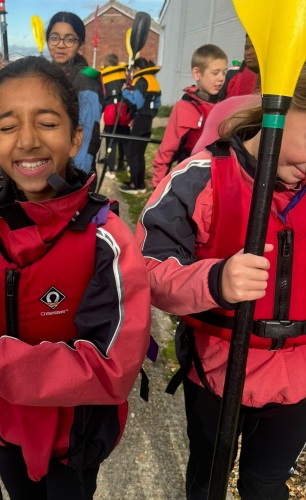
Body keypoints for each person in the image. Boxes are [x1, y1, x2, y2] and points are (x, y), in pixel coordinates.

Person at [0, 56, 152, 499]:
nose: (28, 140)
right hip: (2, 428)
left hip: (75, 436)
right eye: (7, 126)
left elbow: (115, 369)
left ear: (76, 137)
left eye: (48, 123)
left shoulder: (106, 239)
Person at [137, 64, 306, 500]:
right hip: (217, 369)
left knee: (266, 484)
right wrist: (214, 280)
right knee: (208, 477)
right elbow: (148, 269)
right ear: (279, 107)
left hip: (298, 381)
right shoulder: (201, 176)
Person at [152, 44, 227, 187]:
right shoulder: (185, 107)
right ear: (197, 74)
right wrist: (158, 185)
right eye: (215, 73)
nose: (221, 78)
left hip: (216, 180)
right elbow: (168, 149)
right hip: (190, 179)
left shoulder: (223, 106)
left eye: (224, 72)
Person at [46, 11, 104, 174]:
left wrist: (76, 177)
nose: (61, 45)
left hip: (71, 173)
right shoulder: (45, 75)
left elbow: (87, 137)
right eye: (54, 37)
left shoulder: (86, 81)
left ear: (81, 45)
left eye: (70, 39)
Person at [121, 57, 161, 194]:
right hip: (148, 120)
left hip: (140, 119)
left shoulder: (141, 81)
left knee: (133, 152)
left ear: (137, 69)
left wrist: (125, 91)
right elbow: (156, 104)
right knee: (140, 153)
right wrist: (149, 115)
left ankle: (134, 185)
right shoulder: (153, 81)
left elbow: (136, 103)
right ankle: (140, 184)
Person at [100, 53, 131, 181]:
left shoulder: (103, 76)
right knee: (126, 141)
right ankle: (128, 165)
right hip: (123, 110)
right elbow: (129, 88)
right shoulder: (124, 74)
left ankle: (111, 170)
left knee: (111, 143)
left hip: (110, 111)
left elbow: (102, 94)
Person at [219, 34, 260, 99]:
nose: (248, 53)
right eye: (246, 48)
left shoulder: (275, 82)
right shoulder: (232, 73)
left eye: (255, 47)